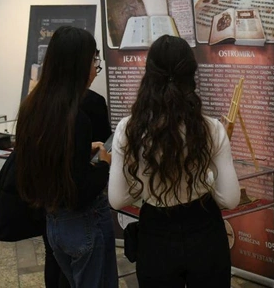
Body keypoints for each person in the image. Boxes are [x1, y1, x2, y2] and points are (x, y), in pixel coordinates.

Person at [108, 35, 240, 288]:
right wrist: (207, 178)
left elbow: (117, 199)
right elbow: (230, 199)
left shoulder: (128, 129)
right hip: (204, 230)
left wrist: (143, 186)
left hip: (155, 234)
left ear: (149, 75)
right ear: (191, 75)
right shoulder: (211, 129)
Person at [14, 27, 117, 288]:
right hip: (83, 223)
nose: (96, 68)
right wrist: (104, 165)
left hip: (53, 224)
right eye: (94, 60)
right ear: (79, 64)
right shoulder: (76, 118)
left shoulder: (33, 108)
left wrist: (83, 152)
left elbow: (54, 164)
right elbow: (79, 192)